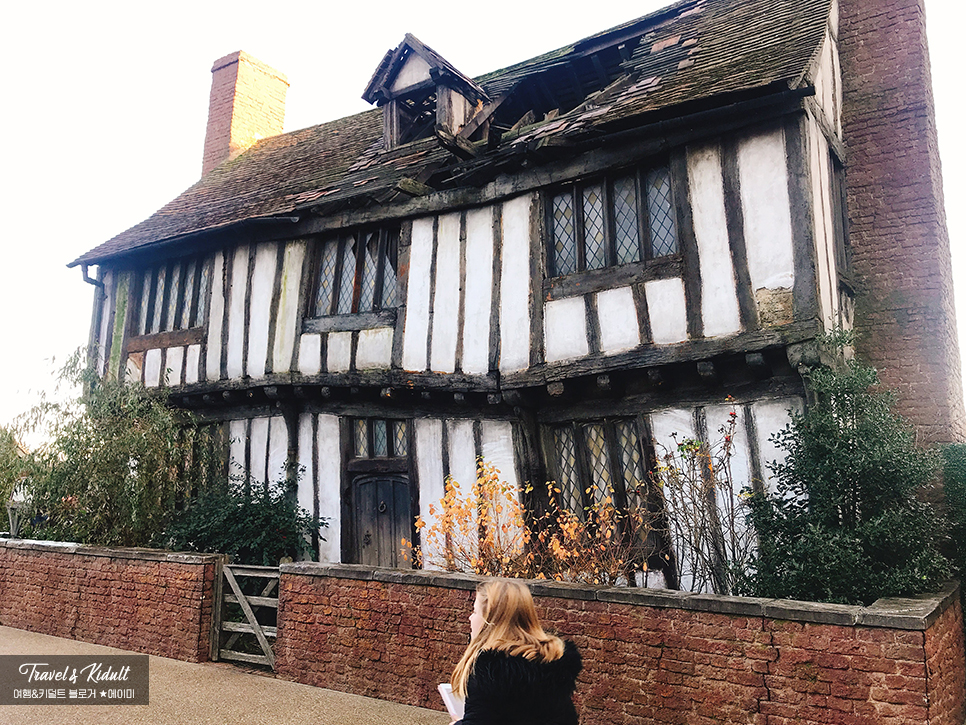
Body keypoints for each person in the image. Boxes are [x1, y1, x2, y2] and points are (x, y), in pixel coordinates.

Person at [449, 579, 582, 725]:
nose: (470, 617)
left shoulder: (488, 673)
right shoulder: (553, 663)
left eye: (475, 611)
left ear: (490, 620)